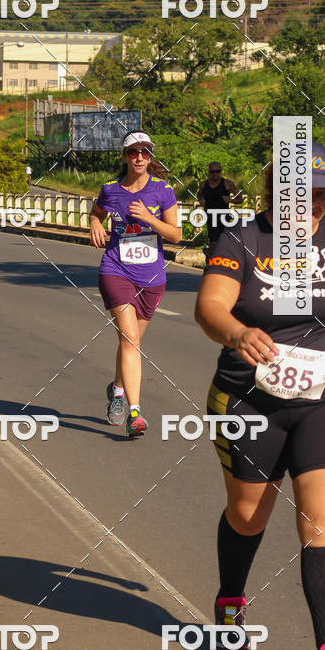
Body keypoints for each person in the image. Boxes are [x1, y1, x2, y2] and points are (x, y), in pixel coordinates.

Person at [195, 142, 325, 650]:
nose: (314, 204)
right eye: (304, 193)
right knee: (248, 515)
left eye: (323, 194)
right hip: (250, 399)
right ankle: (230, 601)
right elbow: (209, 307)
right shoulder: (243, 239)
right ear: (275, 190)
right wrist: (238, 332)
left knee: (323, 521)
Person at [89, 131, 180, 437]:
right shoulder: (111, 190)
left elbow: (176, 236)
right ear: (125, 156)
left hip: (152, 277)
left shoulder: (163, 191)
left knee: (131, 343)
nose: (140, 157)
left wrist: (149, 219)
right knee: (130, 341)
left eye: (145, 152)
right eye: (133, 152)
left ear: (150, 156)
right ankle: (135, 412)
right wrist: (94, 224)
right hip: (116, 270)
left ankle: (116, 389)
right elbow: (97, 212)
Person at [197, 162, 243, 258]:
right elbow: (199, 194)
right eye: (212, 172)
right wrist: (201, 200)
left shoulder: (228, 184)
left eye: (217, 171)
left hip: (224, 217)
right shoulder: (203, 184)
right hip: (211, 217)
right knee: (214, 242)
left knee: (225, 242)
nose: (215, 174)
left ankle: (211, 255)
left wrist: (230, 200)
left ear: (221, 171)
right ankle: (210, 256)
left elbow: (240, 199)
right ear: (209, 172)